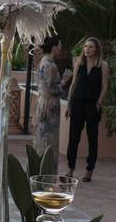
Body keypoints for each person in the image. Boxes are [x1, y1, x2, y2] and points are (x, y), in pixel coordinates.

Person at [66, 37, 109, 182]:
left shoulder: (102, 66)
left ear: (96, 49)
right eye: (85, 46)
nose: (87, 49)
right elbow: (73, 85)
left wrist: (98, 104)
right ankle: (70, 168)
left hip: (92, 106)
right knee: (73, 138)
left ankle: (89, 170)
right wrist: (69, 104)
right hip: (77, 103)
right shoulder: (79, 62)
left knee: (93, 138)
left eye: (90, 47)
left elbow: (104, 87)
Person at [33, 37, 71, 172]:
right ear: (54, 47)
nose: (60, 49)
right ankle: (47, 172)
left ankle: (39, 170)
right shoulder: (50, 65)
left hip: (43, 104)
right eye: (59, 46)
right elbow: (53, 89)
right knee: (49, 140)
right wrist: (64, 81)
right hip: (50, 106)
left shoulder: (43, 62)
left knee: (42, 137)